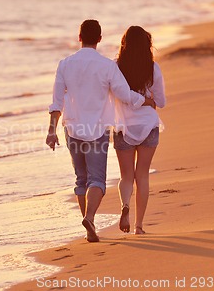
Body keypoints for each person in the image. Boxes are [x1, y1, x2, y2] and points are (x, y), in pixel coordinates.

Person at [46, 20, 155, 242]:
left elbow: (56, 101)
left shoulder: (65, 64)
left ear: (79, 37)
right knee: (96, 180)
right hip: (97, 128)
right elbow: (124, 94)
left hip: (73, 127)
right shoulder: (107, 66)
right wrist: (145, 100)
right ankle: (90, 217)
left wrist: (51, 130)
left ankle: (90, 224)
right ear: (100, 39)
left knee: (80, 180)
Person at [113, 26, 166, 235]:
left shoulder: (115, 67)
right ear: (147, 44)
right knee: (142, 175)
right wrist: (149, 99)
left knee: (126, 176)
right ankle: (139, 226)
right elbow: (161, 102)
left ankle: (125, 205)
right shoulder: (153, 68)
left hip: (123, 127)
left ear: (124, 44)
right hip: (148, 127)